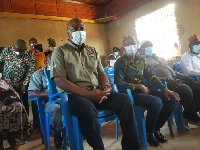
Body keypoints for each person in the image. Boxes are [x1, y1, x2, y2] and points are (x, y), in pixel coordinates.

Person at [50, 17, 141, 150]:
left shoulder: (91, 50)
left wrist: (105, 86)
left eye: (82, 28)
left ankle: (131, 147)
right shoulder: (60, 51)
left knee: (125, 100)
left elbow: (100, 72)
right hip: (74, 95)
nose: (79, 32)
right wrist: (88, 94)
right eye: (75, 29)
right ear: (68, 33)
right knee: (87, 110)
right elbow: (59, 80)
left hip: (96, 91)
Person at [114, 36, 179, 147]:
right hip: (130, 93)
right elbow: (118, 83)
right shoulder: (120, 62)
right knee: (156, 102)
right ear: (124, 47)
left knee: (171, 99)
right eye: (128, 44)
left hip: (144, 89)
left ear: (137, 45)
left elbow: (151, 76)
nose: (131, 46)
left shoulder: (141, 60)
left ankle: (156, 129)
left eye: (133, 43)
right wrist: (137, 86)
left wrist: (164, 88)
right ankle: (149, 132)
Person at [139, 40, 200, 127]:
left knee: (198, 86)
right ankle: (194, 117)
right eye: (147, 46)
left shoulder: (159, 58)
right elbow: (146, 78)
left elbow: (173, 71)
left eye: (151, 45)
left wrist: (186, 77)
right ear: (142, 49)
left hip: (174, 79)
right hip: (164, 84)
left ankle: (187, 115)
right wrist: (166, 80)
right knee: (186, 90)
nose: (150, 47)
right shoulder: (141, 61)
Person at [28, 53, 62, 149]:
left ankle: (78, 133)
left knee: (80, 104)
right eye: (53, 63)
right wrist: (49, 94)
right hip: (49, 102)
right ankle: (57, 136)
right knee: (56, 109)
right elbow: (31, 93)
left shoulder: (62, 72)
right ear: (46, 62)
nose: (56, 65)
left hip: (64, 99)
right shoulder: (39, 74)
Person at [0, 39, 35, 114]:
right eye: (17, 50)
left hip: (21, 83)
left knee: (24, 104)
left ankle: (25, 121)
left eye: (21, 51)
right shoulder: (6, 51)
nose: (18, 53)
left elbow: (30, 71)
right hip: (7, 83)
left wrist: (24, 84)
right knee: (8, 103)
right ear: (14, 47)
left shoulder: (30, 55)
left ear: (25, 49)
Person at [0, 69, 30, 150]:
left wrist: (7, 91)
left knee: (18, 107)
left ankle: (12, 138)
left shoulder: (2, 82)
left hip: (5, 104)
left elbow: (16, 96)